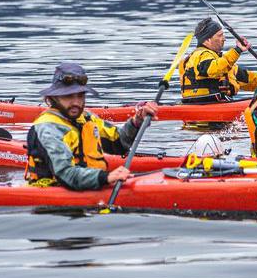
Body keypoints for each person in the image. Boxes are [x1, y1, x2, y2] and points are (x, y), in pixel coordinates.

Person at [25, 61, 158, 191]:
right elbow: (65, 174)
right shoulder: (47, 128)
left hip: (91, 186)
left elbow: (119, 142)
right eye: (68, 96)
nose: (76, 102)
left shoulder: (86, 118)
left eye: (80, 95)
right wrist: (106, 177)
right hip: (52, 195)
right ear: (53, 98)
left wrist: (138, 120)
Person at [178, 17, 257, 104]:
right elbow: (214, 69)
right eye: (220, 35)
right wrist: (237, 51)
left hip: (220, 102)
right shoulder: (200, 55)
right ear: (207, 40)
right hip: (203, 104)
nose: (224, 39)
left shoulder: (223, 62)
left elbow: (250, 80)